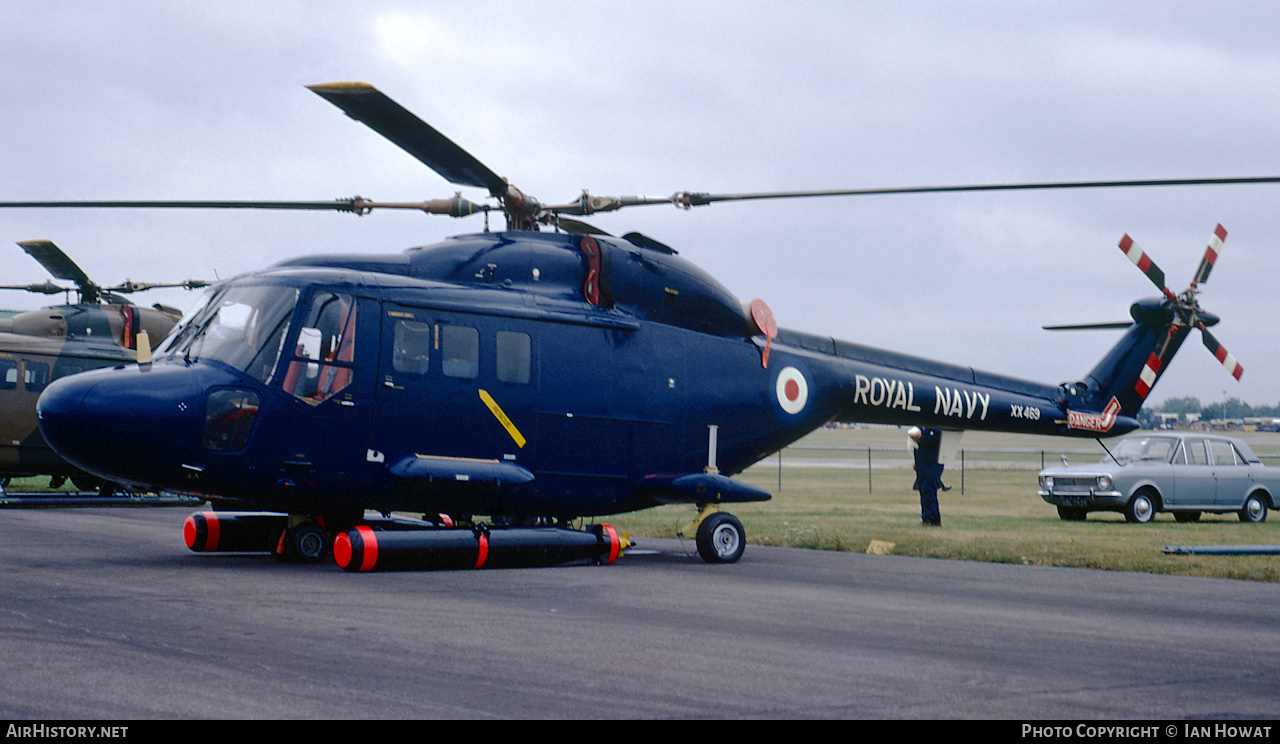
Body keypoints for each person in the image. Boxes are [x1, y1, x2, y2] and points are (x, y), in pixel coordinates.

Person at [909, 426, 946, 526]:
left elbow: (937, 439)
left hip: (932, 463)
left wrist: (921, 438)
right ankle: (928, 518)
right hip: (922, 463)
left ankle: (932, 519)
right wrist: (916, 462)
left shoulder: (934, 427)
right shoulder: (920, 427)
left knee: (930, 490)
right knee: (924, 490)